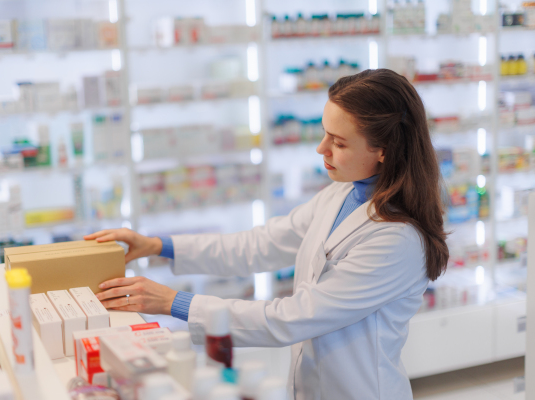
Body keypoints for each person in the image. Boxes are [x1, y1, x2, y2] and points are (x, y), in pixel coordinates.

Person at [85, 69, 449, 400]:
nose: (321, 149)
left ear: (383, 151)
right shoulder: (341, 193)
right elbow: (259, 245)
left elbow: (290, 318)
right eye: (324, 134)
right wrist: (158, 245)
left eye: (338, 142)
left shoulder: (397, 240)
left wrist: (173, 302)